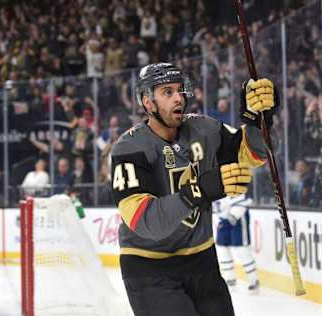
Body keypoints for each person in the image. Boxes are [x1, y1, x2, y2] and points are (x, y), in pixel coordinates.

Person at [110, 62, 277, 316]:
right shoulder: (130, 148)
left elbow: (252, 154)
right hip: (150, 268)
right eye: (167, 92)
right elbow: (146, 222)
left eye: (180, 90)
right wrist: (203, 189)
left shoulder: (205, 129)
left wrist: (258, 120)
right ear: (147, 102)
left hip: (202, 259)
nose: (179, 98)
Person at [214, 194, 259, 294]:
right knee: (222, 250)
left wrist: (234, 213)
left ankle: (253, 280)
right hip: (222, 218)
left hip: (238, 218)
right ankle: (230, 280)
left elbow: (244, 198)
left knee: (242, 251)